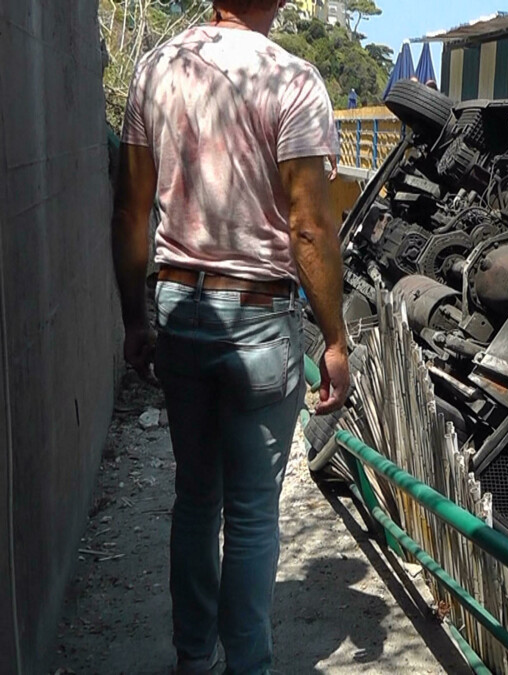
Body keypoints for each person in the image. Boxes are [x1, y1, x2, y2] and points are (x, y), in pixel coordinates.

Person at [110, 0, 351, 672]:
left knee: (195, 498)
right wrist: (333, 338)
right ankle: (247, 665)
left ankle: (195, 659)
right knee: (250, 514)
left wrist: (135, 316)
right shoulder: (293, 79)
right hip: (261, 320)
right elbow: (309, 227)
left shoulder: (159, 67)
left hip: (180, 309)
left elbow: (131, 206)